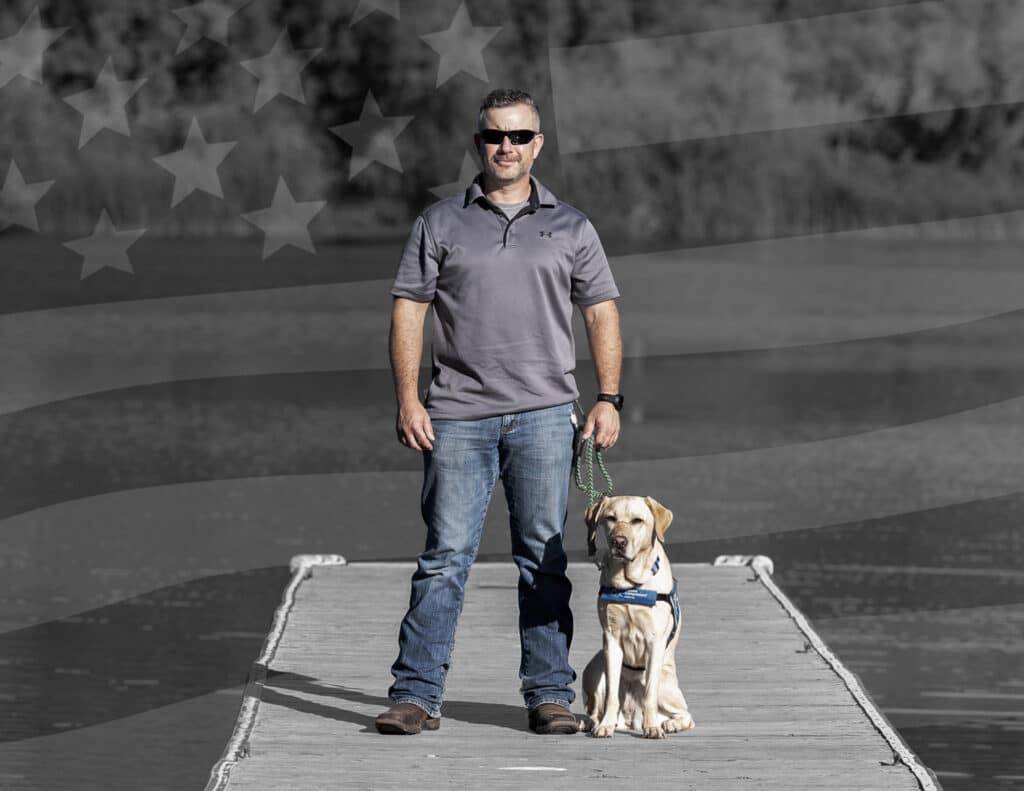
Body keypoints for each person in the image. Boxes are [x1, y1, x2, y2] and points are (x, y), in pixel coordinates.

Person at [376, 88, 623, 736]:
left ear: (538, 144)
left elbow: (600, 310)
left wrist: (608, 396)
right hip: (456, 414)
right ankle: (415, 695)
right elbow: (409, 308)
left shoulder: (571, 226)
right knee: (444, 556)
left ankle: (550, 694)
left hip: (545, 414)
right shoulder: (440, 223)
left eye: (518, 136)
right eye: (494, 137)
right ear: (477, 144)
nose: (506, 147)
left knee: (542, 559)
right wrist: (407, 398)